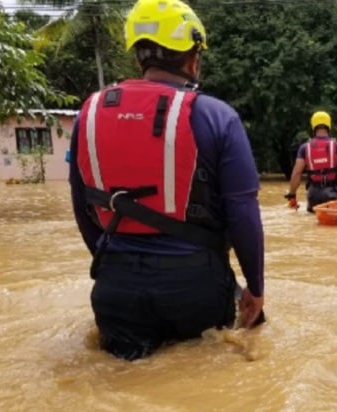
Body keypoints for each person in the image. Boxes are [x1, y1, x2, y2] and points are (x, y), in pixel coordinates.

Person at [68, 0, 265, 361]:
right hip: (195, 288)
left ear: (139, 56)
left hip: (116, 289)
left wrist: (114, 261)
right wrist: (255, 287)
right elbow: (243, 213)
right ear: (192, 57)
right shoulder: (217, 116)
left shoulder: (89, 114)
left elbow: (82, 207)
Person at [285, 111, 337, 212]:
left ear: (313, 126)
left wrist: (292, 195)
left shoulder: (304, 148)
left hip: (313, 195)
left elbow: (296, 173)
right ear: (328, 126)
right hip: (333, 194)